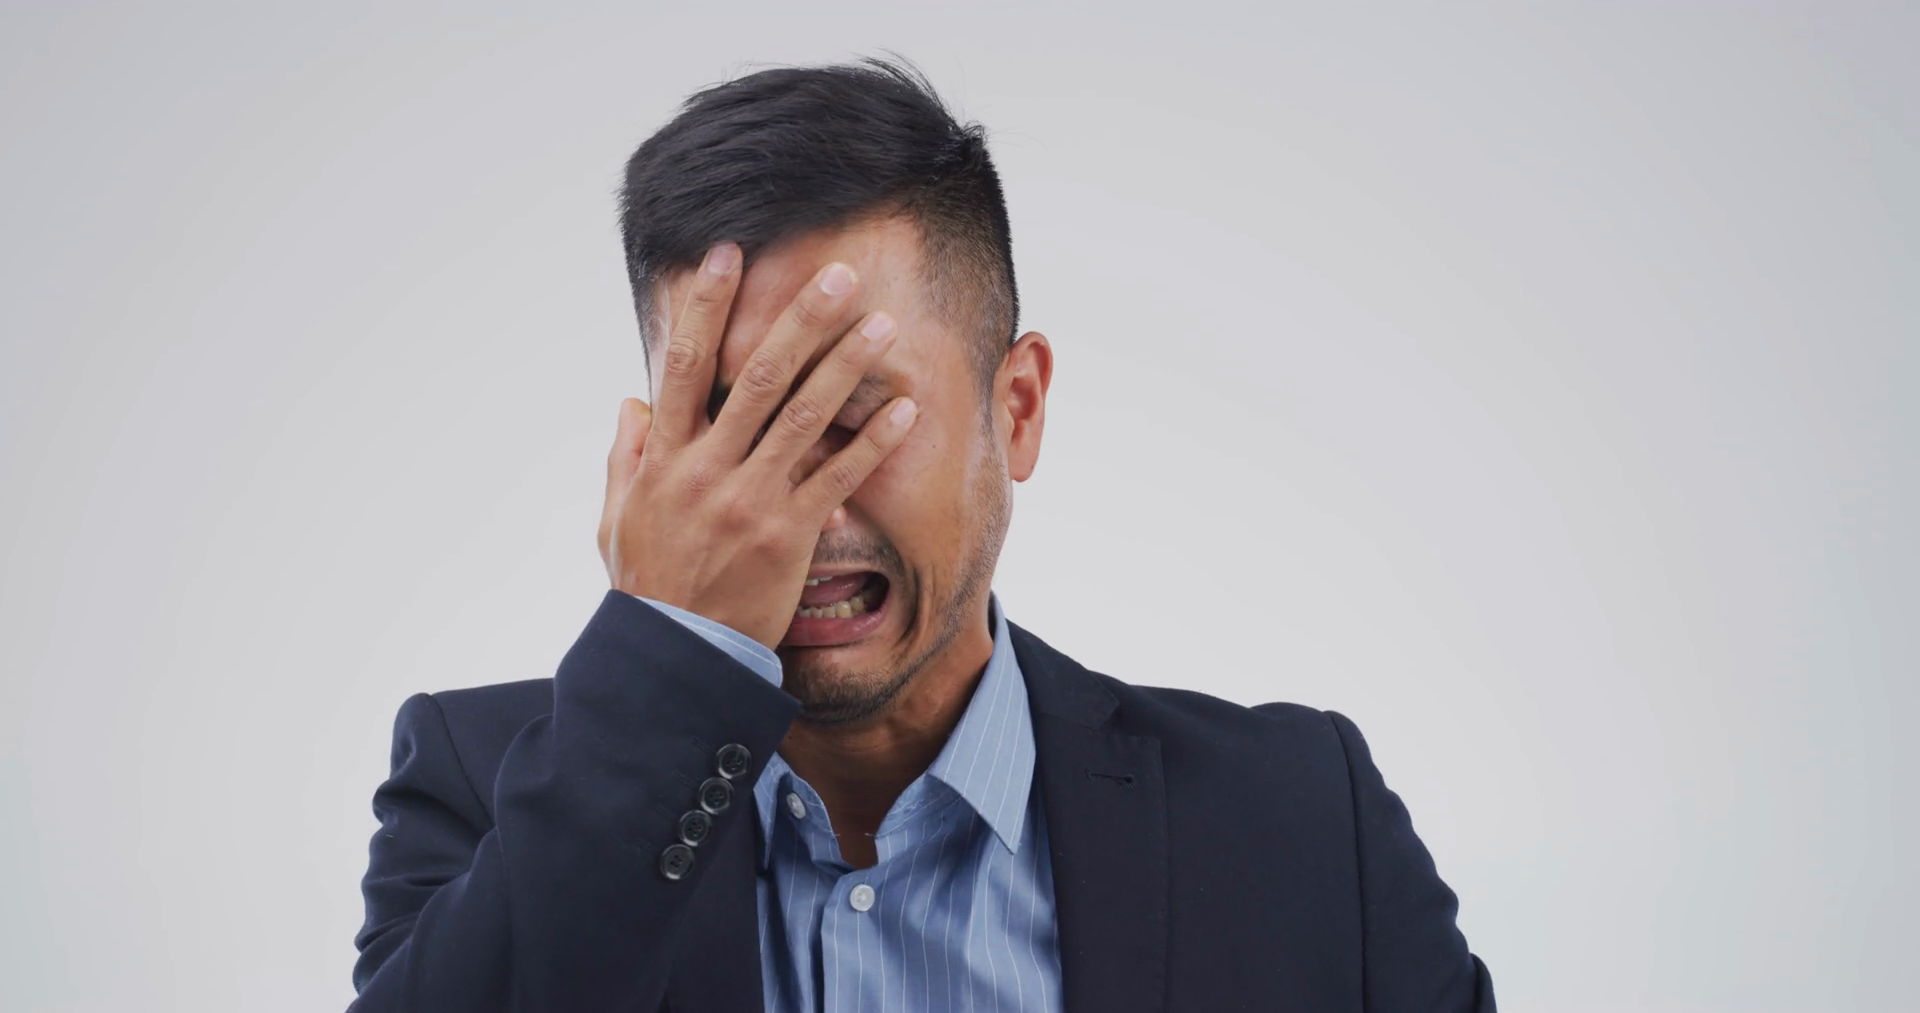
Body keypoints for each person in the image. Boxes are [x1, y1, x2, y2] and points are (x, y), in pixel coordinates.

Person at [348, 57, 1495, 1013]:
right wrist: (666, 649)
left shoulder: (1302, 819)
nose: (791, 507)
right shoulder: (481, 788)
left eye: (851, 418)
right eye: (735, 428)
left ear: (1017, 409)